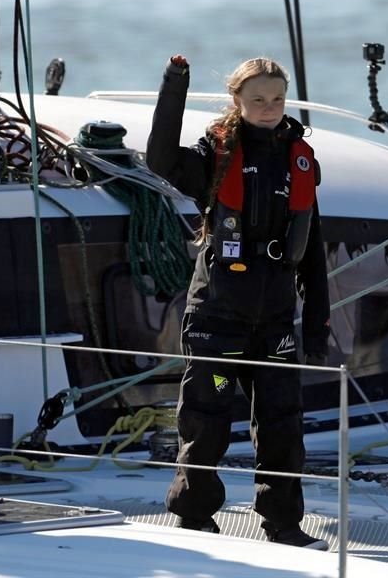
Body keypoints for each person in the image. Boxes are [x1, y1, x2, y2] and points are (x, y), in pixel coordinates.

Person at [146, 55, 331, 550]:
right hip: (218, 319)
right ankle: (194, 518)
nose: (269, 108)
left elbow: (312, 248)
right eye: (258, 100)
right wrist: (173, 86)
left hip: (274, 323)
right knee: (206, 420)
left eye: (276, 99)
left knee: (282, 425)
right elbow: (160, 161)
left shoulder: (299, 159)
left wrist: (316, 321)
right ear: (237, 103)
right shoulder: (216, 156)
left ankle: (284, 525)